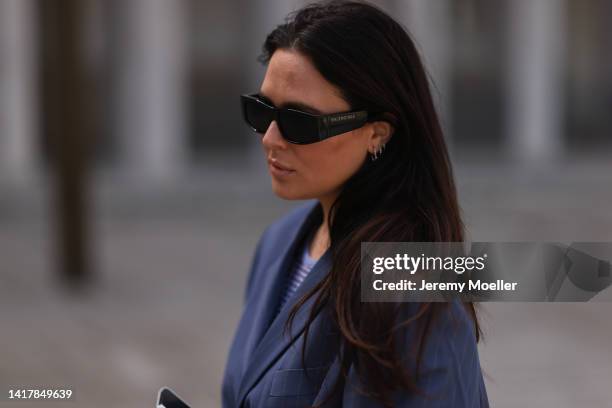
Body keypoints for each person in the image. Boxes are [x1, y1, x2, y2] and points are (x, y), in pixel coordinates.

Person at [222, 1, 489, 406]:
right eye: (261, 111)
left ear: (377, 133)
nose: (270, 139)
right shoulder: (279, 243)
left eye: (299, 122)